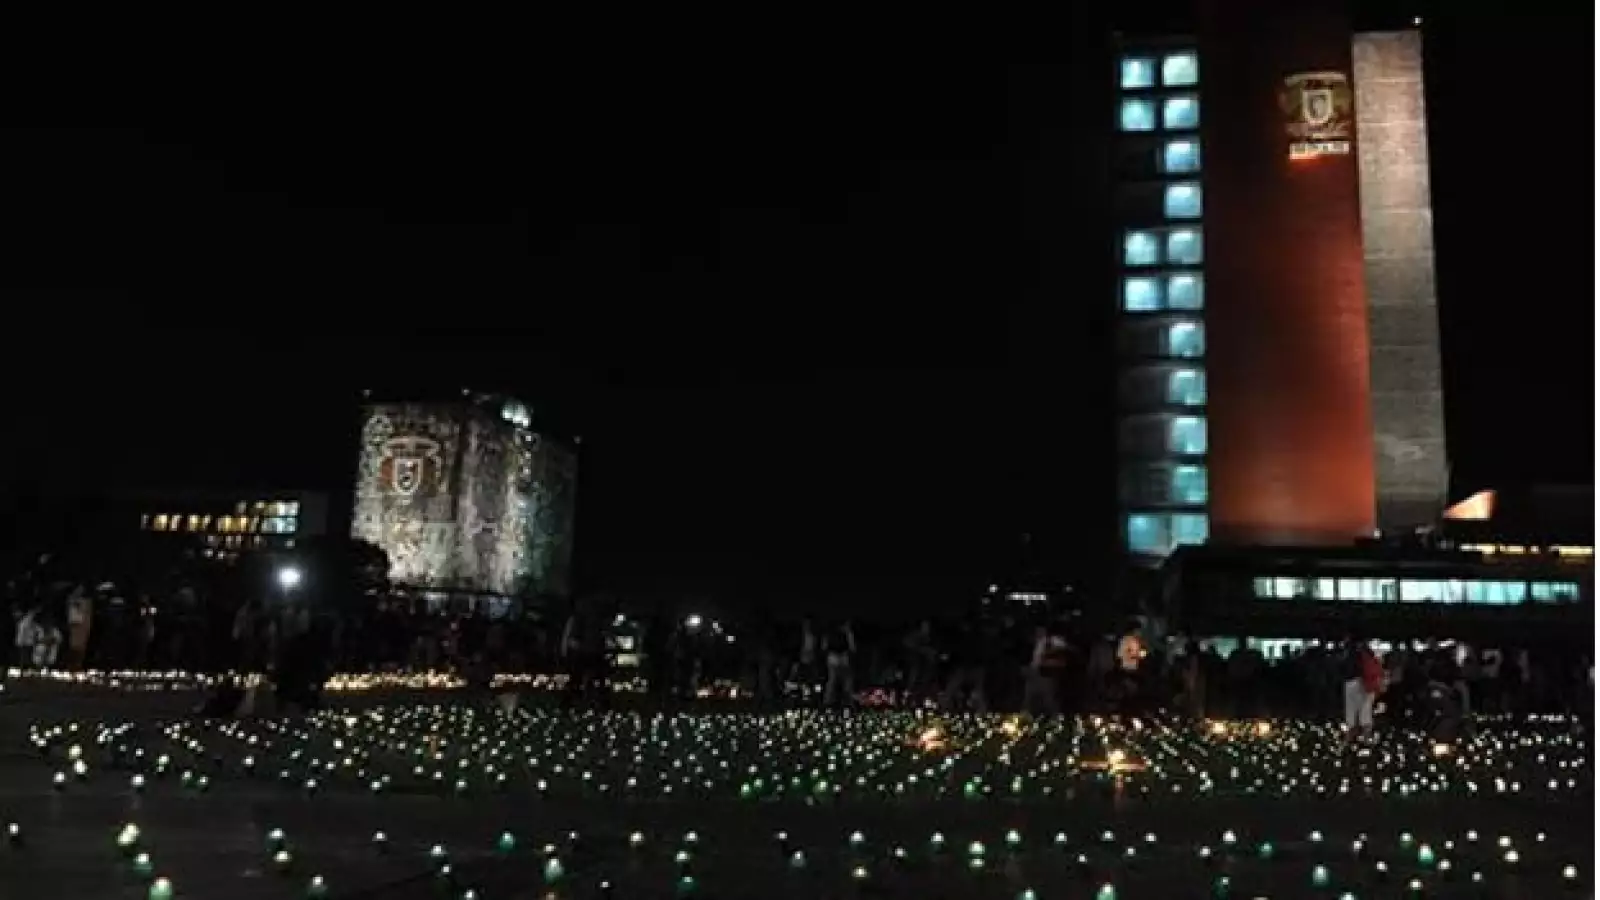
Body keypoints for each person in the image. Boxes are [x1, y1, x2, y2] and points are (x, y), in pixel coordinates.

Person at [1342, 636, 1381, 744]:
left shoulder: (1350, 654)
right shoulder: (1368, 655)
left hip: (1354, 681)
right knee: (1365, 709)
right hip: (1366, 683)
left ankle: (1352, 733)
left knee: (1352, 708)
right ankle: (1366, 734)